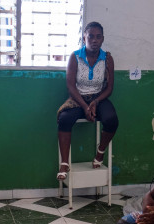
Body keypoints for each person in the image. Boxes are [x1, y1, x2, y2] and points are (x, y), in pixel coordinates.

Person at [56, 21, 118, 180]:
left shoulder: (107, 59)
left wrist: (95, 102)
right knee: (64, 119)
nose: (94, 40)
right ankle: (64, 163)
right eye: (90, 36)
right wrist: (85, 106)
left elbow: (109, 88)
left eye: (98, 37)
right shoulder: (75, 57)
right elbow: (70, 86)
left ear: (102, 39)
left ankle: (100, 153)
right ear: (84, 38)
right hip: (78, 98)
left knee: (112, 120)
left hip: (99, 98)